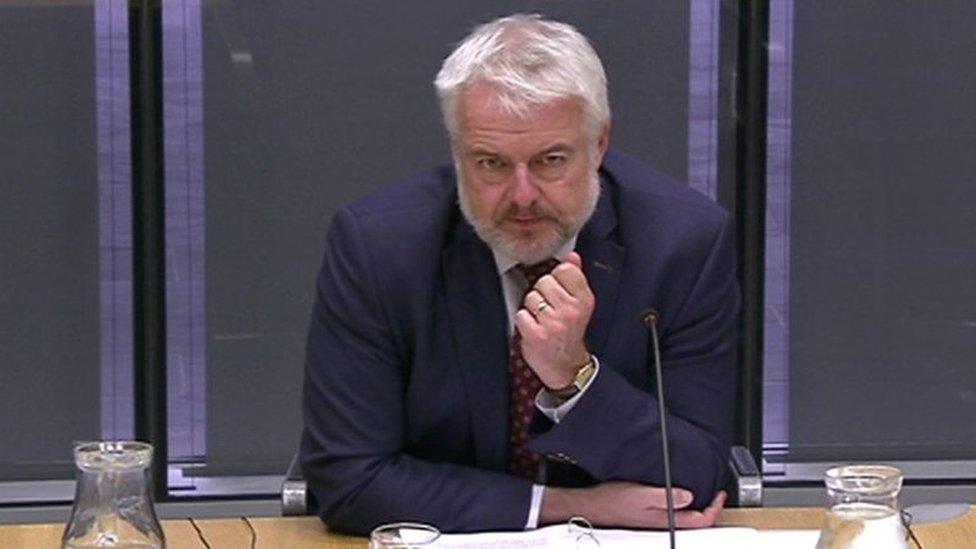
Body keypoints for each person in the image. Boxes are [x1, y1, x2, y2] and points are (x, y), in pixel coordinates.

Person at [300, 13, 739, 535]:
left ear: (599, 144)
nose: (523, 196)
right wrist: (567, 506)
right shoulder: (379, 248)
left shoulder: (682, 244)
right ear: (456, 151)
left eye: (551, 160)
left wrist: (574, 376)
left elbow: (698, 473)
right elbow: (349, 481)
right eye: (491, 164)